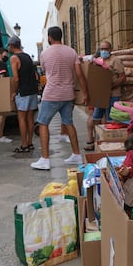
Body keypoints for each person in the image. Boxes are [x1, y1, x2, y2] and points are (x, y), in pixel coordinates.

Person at [31, 26, 89, 170]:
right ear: (61, 36)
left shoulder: (44, 54)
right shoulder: (71, 51)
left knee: (43, 123)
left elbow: (45, 71)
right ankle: (76, 155)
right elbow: (80, 74)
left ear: (50, 37)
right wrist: (86, 93)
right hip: (68, 94)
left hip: (51, 94)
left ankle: (45, 159)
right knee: (69, 122)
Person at [84, 41, 125, 151]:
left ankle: (111, 143)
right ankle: (99, 139)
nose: (103, 51)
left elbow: (122, 77)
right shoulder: (99, 61)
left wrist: (110, 86)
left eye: (105, 49)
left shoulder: (115, 61)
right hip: (101, 94)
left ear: (110, 49)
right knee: (96, 117)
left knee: (111, 119)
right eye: (101, 49)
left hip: (113, 94)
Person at [8, 36, 38, 153]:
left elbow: (16, 78)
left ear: (11, 46)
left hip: (23, 91)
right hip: (32, 90)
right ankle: (30, 142)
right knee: (30, 117)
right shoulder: (27, 56)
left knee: (21, 118)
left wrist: (14, 92)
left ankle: (24, 144)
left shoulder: (14, 58)